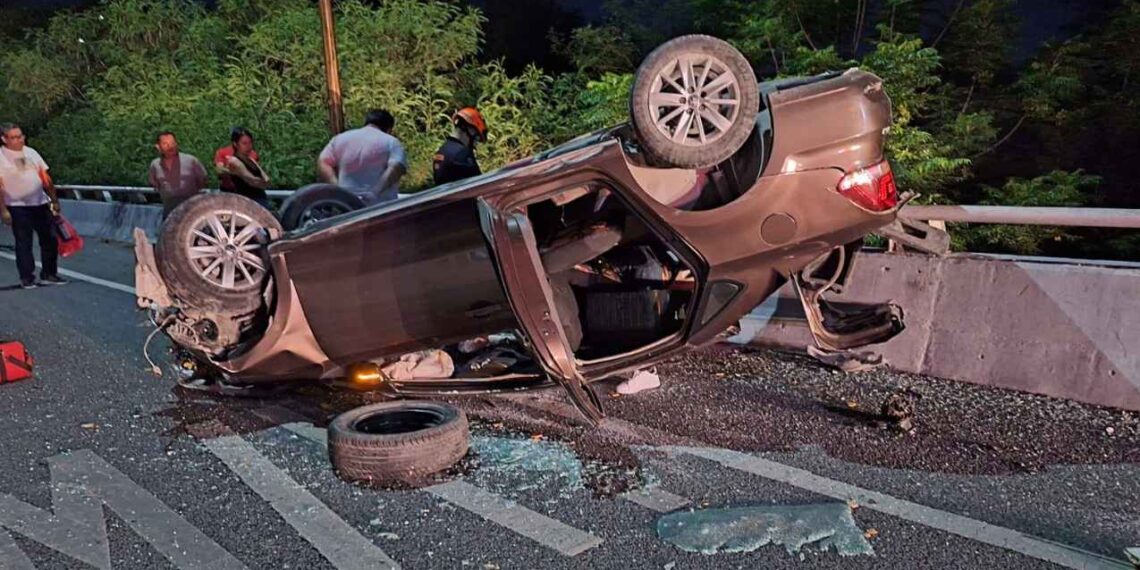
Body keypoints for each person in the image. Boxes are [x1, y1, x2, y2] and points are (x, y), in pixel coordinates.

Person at [0, 123, 67, 288]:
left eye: (20, 136)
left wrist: (54, 200)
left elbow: (45, 177)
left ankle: (49, 273)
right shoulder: (1, 157)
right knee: (24, 242)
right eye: (14, 137)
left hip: (40, 203)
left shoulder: (30, 153)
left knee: (50, 239)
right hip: (17, 206)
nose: (19, 140)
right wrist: (3, 210)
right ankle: (27, 278)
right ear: (4, 139)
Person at [317, 109, 407, 205]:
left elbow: (323, 162)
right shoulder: (391, 142)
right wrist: (375, 192)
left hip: (346, 205)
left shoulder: (340, 139)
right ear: (389, 129)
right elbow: (397, 168)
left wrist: (338, 189)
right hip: (380, 206)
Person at [148, 131, 207, 219]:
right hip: (169, 211)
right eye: (165, 144)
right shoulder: (155, 165)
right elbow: (154, 183)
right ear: (158, 147)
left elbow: (203, 180)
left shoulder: (191, 161)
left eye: (172, 143)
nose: (170, 146)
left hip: (192, 209)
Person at [214, 126, 270, 208]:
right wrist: (232, 172)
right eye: (244, 143)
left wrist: (263, 182)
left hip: (258, 197)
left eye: (250, 142)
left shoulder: (252, 156)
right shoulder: (228, 156)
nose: (248, 146)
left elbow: (265, 179)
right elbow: (219, 170)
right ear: (235, 144)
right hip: (237, 194)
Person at [432, 107, 487, 186]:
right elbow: (479, 186)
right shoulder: (462, 154)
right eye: (476, 137)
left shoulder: (442, 150)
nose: (475, 143)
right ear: (470, 130)